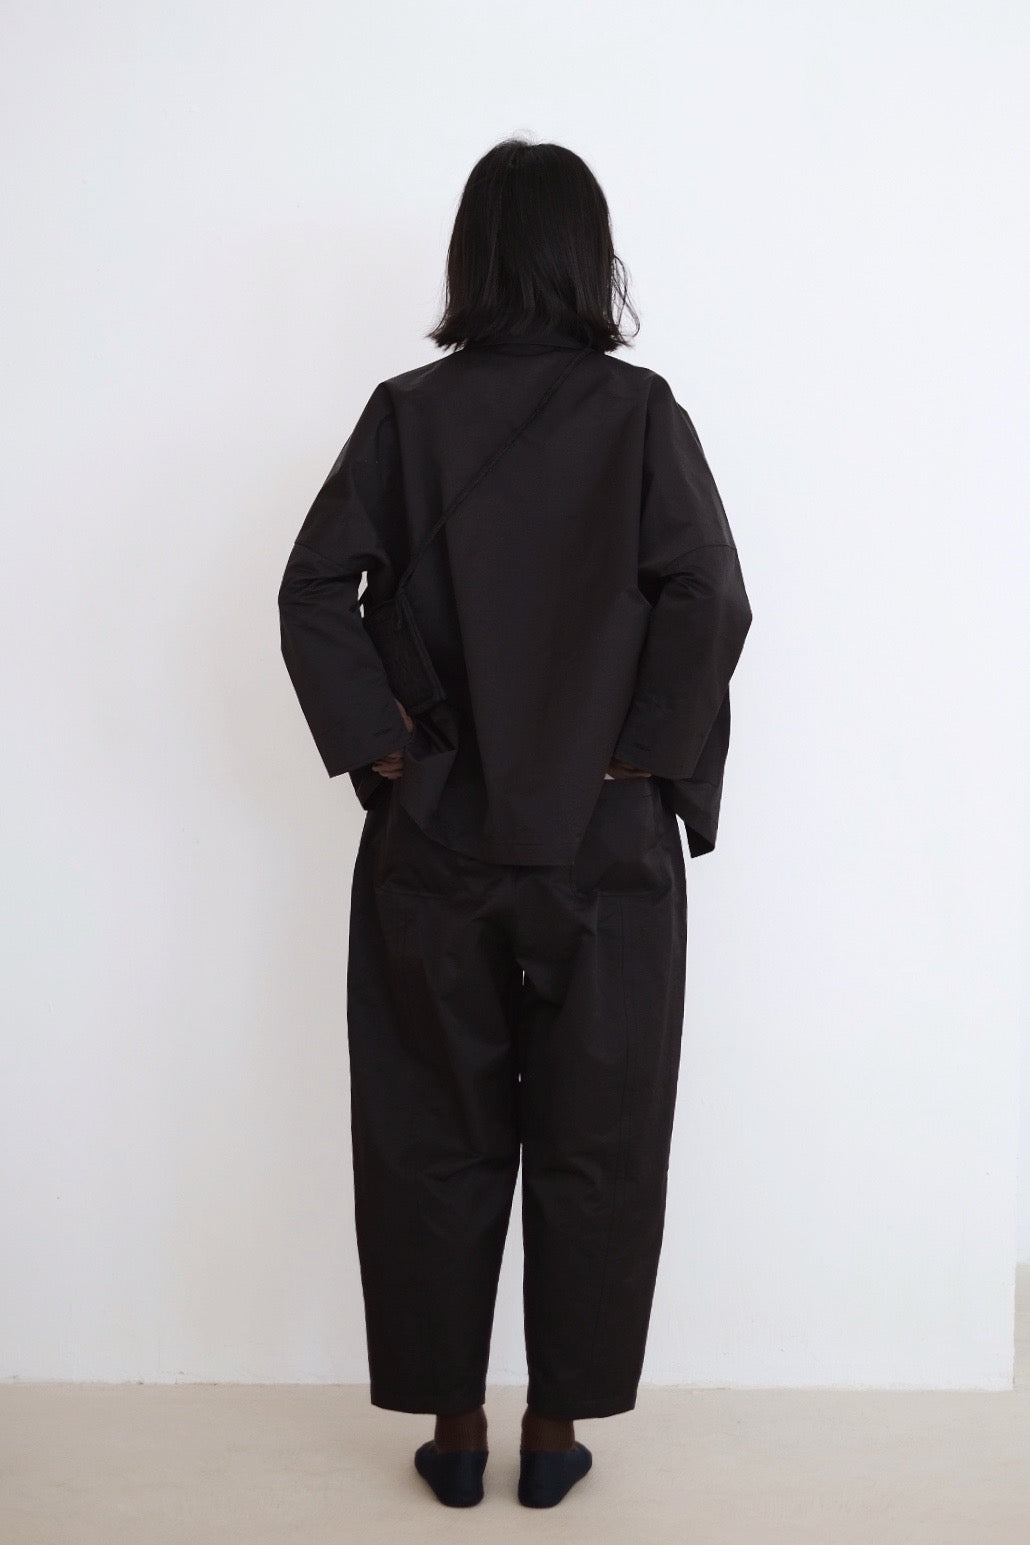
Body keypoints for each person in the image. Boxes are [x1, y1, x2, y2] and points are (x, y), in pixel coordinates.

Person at [277, 136, 753, 1509]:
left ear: (471, 258)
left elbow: (314, 589)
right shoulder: (640, 414)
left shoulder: (408, 416)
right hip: (605, 849)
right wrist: (640, 757)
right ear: (589, 260)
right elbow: (710, 596)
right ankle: (552, 1433)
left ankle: (453, 1429)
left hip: (436, 842)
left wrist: (391, 754)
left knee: (431, 1127)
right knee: (600, 1137)